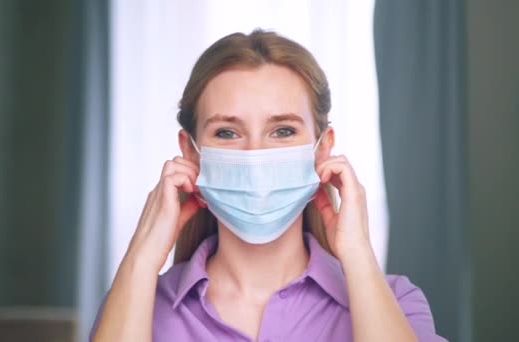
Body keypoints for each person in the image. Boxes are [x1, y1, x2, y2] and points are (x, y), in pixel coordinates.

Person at [91, 29, 446, 342]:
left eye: (283, 131)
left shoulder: (396, 301)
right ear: (191, 153)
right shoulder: (136, 305)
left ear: (322, 147)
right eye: (227, 133)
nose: (255, 156)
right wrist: (141, 259)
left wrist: (357, 254)